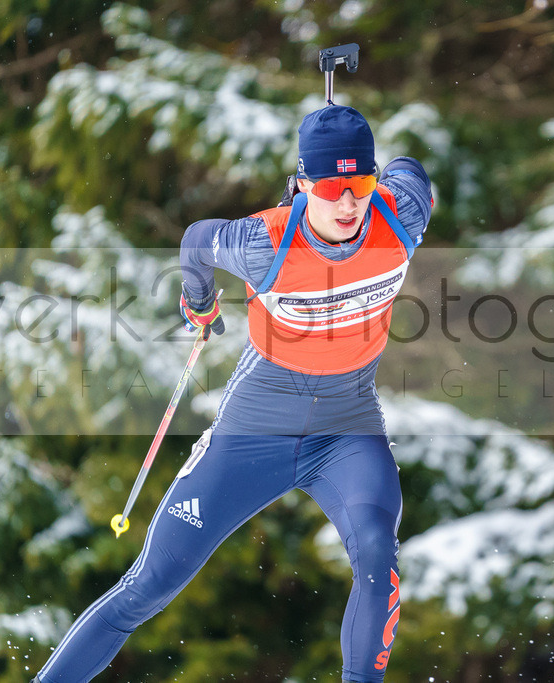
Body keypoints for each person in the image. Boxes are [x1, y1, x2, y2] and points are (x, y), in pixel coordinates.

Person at [33, 104, 433, 683]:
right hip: (253, 431)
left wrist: (366, 163)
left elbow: (411, 168)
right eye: (331, 186)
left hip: (348, 429)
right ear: (302, 185)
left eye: (362, 184)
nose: (349, 203)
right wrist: (198, 302)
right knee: (151, 585)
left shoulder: (402, 219)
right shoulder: (263, 242)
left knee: (376, 555)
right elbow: (196, 243)